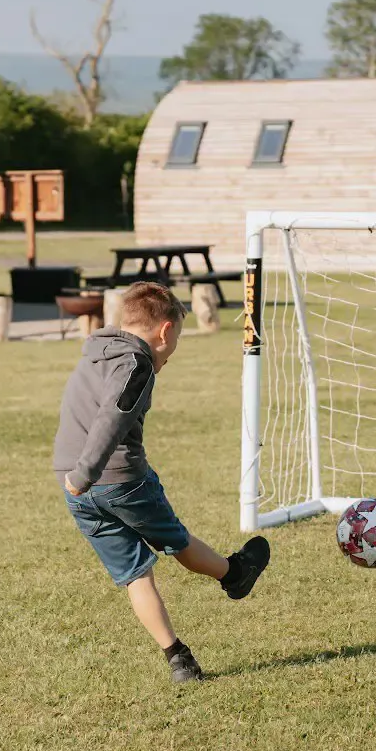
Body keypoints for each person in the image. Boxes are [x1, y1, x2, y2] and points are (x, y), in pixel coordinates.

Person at [54, 281, 270, 683]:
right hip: (116, 479)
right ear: (165, 331)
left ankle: (178, 658)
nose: (173, 350)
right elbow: (110, 421)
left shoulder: (95, 353)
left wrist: (76, 477)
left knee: (136, 575)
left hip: (73, 487)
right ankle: (234, 575)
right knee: (177, 541)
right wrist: (86, 472)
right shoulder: (135, 365)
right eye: (177, 339)